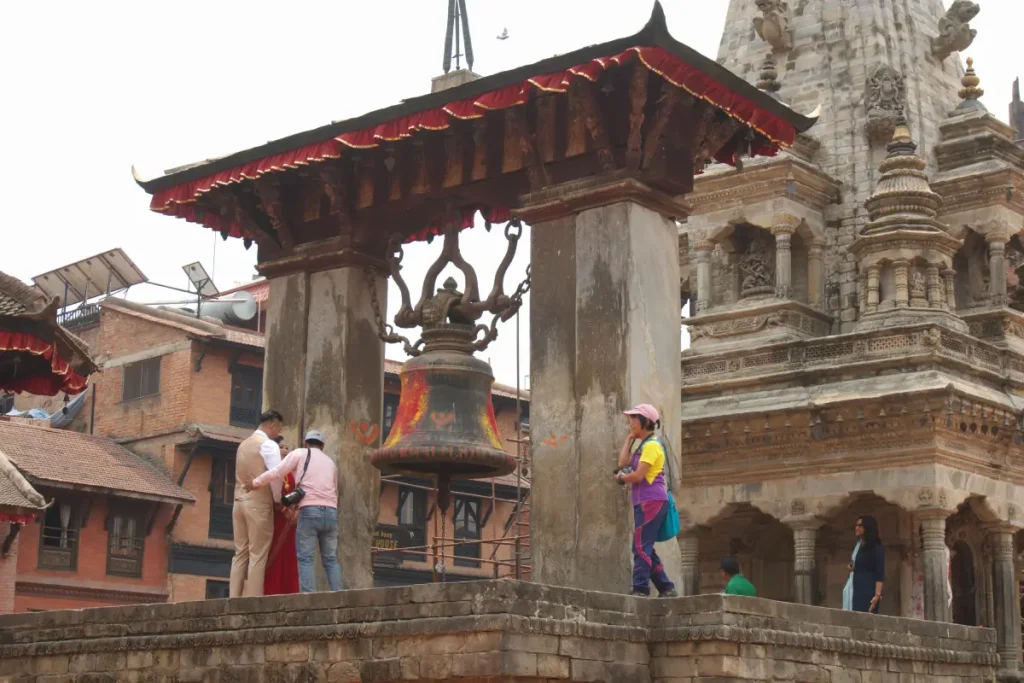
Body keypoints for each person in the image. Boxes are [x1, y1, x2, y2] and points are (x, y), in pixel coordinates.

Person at [248, 429, 342, 593]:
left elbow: (277, 472)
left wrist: (255, 482)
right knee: (331, 559)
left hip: (310, 511)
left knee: (306, 558)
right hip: (332, 512)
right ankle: (339, 594)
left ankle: (309, 597)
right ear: (323, 445)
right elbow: (335, 490)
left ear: (306, 442)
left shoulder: (300, 453)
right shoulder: (330, 463)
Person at [613, 403, 678, 598]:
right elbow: (623, 463)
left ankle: (640, 588)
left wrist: (621, 478)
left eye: (635, 418)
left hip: (651, 501)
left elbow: (638, 476)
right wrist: (628, 440)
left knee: (641, 545)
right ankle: (666, 587)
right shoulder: (644, 444)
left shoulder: (651, 446)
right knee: (643, 545)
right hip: (646, 502)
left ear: (646, 421)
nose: (631, 422)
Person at [229, 409, 284, 598]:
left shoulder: (242, 445)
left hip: (238, 501)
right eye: (278, 429)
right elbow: (276, 476)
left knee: (240, 553)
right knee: (258, 554)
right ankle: (253, 599)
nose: (278, 433)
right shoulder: (269, 445)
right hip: (258, 503)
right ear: (272, 425)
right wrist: (277, 500)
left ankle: (233, 597)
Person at [264, 436, 300, 596]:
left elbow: (295, 493)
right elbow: (272, 496)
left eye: (287, 448)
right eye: (282, 447)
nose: (285, 450)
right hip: (276, 519)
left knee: (289, 556)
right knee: (274, 554)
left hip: (289, 522)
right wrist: (286, 511)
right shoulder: (271, 470)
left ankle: (289, 591)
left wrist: (294, 509)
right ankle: (272, 590)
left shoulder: (291, 472)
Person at [844, 515, 885, 613]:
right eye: (856, 525)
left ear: (867, 527)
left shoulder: (877, 548)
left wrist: (877, 595)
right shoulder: (859, 544)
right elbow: (856, 563)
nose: (856, 528)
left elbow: (879, 573)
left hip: (867, 592)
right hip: (854, 588)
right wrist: (851, 566)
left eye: (860, 525)